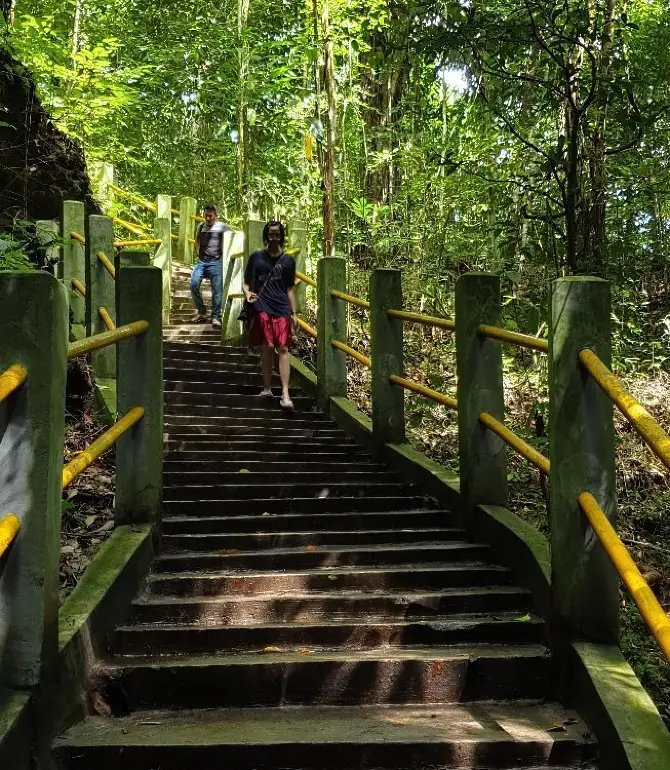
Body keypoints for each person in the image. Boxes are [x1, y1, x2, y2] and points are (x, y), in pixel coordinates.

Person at [243, 221, 298, 409]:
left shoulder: (288, 261)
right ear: (266, 236)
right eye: (271, 234)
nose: (274, 237)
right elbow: (246, 283)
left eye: (277, 234)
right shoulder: (256, 258)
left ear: (281, 236)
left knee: (283, 348)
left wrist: (294, 313)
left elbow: (289, 289)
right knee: (268, 345)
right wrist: (247, 293)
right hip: (262, 303)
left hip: (281, 306)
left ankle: (285, 393)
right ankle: (267, 388)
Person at [191, 203, 231, 328]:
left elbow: (235, 237)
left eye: (210, 216)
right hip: (202, 262)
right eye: (206, 215)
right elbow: (197, 240)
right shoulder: (201, 226)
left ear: (215, 215)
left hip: (216, 262)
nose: (208, 218)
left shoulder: (223, 227)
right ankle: (202, 312)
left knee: (217, 290)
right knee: (193, 284)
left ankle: (215, 316)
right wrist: (198, 251)